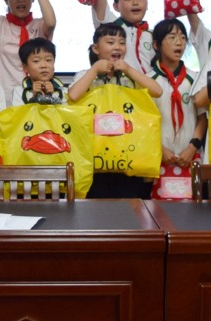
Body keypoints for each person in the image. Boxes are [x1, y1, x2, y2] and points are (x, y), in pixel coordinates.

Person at [68, 23, 162, 198]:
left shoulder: (129, 77)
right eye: (110, 42)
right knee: (95, 203)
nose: (117, 47)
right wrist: (95, 69)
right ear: (96, 48)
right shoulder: (86, 74)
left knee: (128, 204)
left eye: (122, 42)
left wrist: (129, 69)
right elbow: (73, 95)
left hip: (127, 156)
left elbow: (157, 91)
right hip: (95, 157)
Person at [149, 18, 206, 199]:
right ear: (156, 45)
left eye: (182, 37)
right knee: (158, 211)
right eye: (172, 37)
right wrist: (159, 149)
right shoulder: (148, 81)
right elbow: (144, 123)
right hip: (158, 157)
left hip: (190, 157)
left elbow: (202, 117)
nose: (179, 42)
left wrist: (192, 147)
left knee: (192, 211)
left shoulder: (195, 78)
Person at [10, 37, 66, 105]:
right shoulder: (19, 91)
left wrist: (51, 96)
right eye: (36, 61)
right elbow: (19, 111)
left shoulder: (63, 90)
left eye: (48, 60)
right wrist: (34, 97)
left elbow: (65, 111)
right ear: (25, 67)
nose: (44, 65)